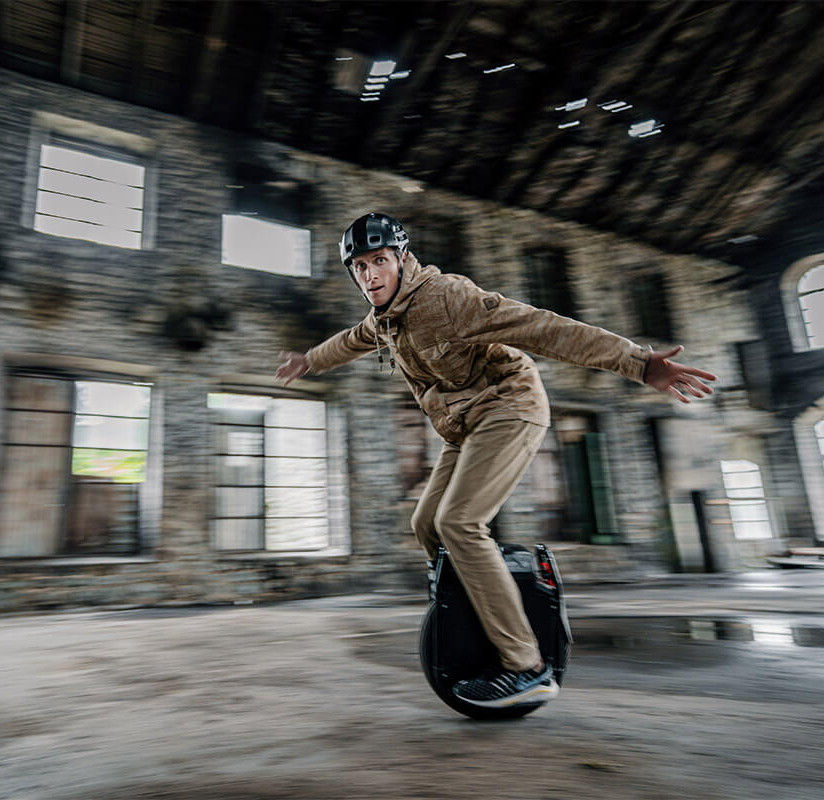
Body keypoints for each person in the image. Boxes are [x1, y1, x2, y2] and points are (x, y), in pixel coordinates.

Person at [276, 212, 717, 709]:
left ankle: (526, 666)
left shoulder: (447, 297)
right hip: (464, 426)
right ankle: (477, 609)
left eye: (379, 261)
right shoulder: (385, 320)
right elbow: (351, 340)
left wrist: (638, 362)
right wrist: (309, 361)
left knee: (460, 522)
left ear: (401, 258)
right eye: (359, 267)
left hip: (510, 407)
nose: (370, 275)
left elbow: (543, 327)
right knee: (426, 524)